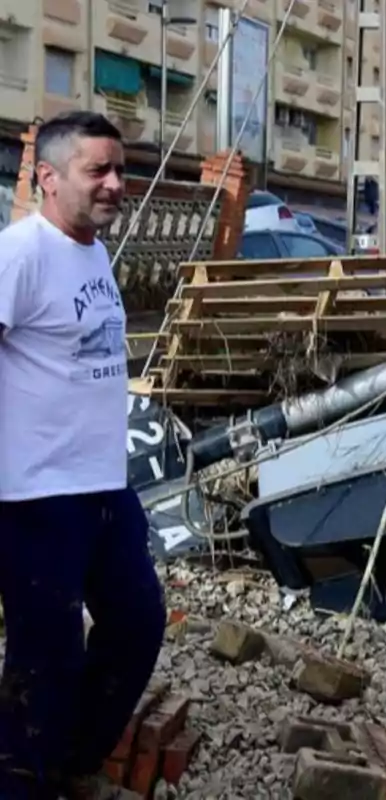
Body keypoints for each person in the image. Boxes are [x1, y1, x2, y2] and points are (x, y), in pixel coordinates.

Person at [0, 111, 165, 799]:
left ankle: (69, 760)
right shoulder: (20, 255)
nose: (116, 184)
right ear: (47, 177)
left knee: (136, 624)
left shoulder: (92, 250)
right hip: (36, 496)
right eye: (97, 170)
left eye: (120, 170)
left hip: (103, 486)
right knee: (47, 656)